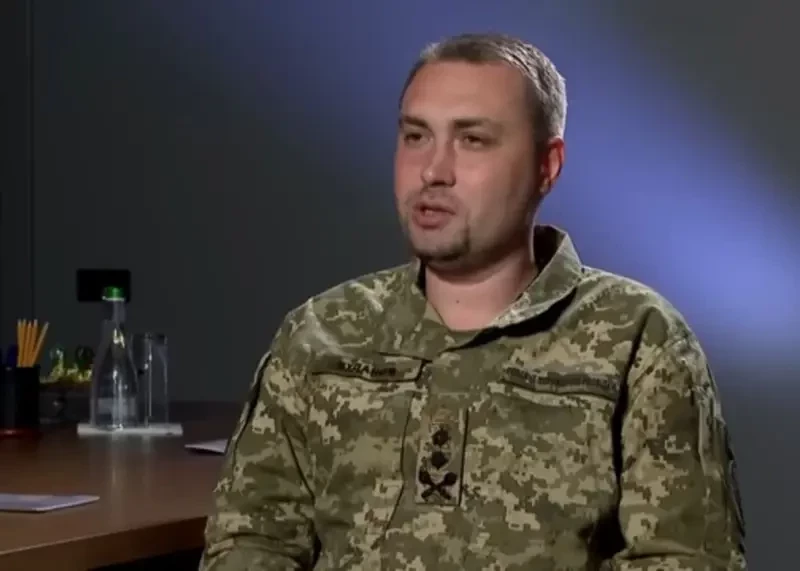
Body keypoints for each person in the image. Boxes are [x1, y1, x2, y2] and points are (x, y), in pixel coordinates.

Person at [199, 32, 747, 570]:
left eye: (472, 140)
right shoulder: (322, 333)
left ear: (547, 166)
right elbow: (250, 540)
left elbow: (690, 560)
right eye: (416, 136)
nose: (433, 171)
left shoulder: (639, 341)